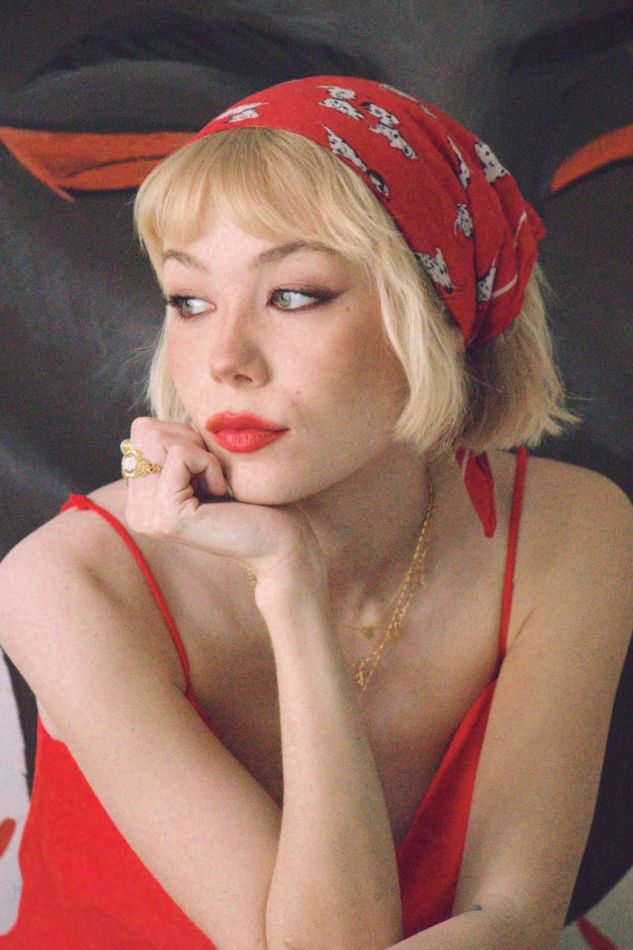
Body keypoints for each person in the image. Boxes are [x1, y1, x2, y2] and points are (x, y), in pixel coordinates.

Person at [0, 75, 631, 950]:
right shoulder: (63, 580)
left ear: (441, 311)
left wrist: (289, 582)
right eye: (189, 301)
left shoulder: (572, 532)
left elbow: (511, 919)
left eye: (293, 294)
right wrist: (288, 580)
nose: (225, 359)